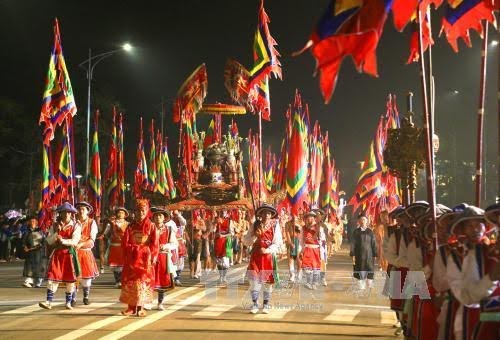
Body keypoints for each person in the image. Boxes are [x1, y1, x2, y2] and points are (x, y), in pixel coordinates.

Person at [119, 199, 159, 317]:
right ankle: (131, 307)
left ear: (147, 212)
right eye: (138, 211)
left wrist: (152, 256)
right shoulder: (130, 226)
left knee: (142, 282)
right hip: (132, 257)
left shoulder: (151, 226)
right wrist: (132, 249)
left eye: (143, 211)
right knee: (131, 282)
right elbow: (124, 242)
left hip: (145, 259)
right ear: (135, 212)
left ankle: (141, 307)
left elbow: (155, 244)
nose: (140, 213)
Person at [39, 202, 82, 310]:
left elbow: (75, 241)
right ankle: (48, 301)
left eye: (69, 212)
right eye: (64, 212)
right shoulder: (54, 225)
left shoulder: (76, 225)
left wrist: (62, 240)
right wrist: (56, 234)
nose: (67, 214)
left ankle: (68, 302)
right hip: (57, 254)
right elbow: (48, 240)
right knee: (52, 277)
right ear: (60, 214)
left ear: (72, 213)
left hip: (69, 254)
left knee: (70, 279)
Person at [243, 203, 282, 314]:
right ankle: (255, 303)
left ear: (271, 215)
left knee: (268, 282)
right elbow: (246, 241)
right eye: (264, 213)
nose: (266, 215)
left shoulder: (275, 226)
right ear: (261, 214)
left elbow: (277, 242)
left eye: (269, 213)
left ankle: (266, 304)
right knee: (254, 281)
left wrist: (267, 250)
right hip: (255, 257)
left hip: (268, 258)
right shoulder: (255, 225)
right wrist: (255, 236)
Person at [72, 201, 100, 306]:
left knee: (86, 277)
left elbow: (92, 241)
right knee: (74, 276)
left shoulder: (92, 222)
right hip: (74, 253)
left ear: (88, 211)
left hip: (85, 253)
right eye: (79, 209)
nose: (81, 211)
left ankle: (86, 296)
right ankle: (73, 298)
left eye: (83, 209)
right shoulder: (74, 222)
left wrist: (81, 244)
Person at [151, 207, 177, 310]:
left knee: (162, 280)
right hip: (151, 257)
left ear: (164, 218)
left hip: (163, 257)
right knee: (150, 278)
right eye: (156, 215)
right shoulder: (149, 228)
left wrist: (165, 246)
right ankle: (148, 302)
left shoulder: (169, 230)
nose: (158, 217)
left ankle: (160, 303)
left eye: (160, 216)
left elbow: (174, 244)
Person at [103, 207, 130, 288]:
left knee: (123, 265)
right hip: (114, 246)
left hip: (124, 247)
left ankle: (122, 280)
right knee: (115, 266)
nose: (120, 214)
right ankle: (117, 281)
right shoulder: (111, 223)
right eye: (119, 212)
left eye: (122, 213)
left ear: (125, 215)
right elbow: (105, 233)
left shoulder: (128, 224)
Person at [350, 213, 377, 290]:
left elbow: (374, 243)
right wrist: (353, 254)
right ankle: (361, 284)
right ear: (358, 221)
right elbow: (353, 244)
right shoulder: (356, 232)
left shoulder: (370, 232)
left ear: (367, 221)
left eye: (364, 220)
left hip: (369, 254)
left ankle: (369, 282)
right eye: (361, 220)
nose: (362, 221)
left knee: (370, 268)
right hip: (359, 254)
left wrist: (375, 254)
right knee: (360, 268)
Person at [22, 216, 46, 288]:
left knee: (39, 266)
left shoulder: (41, 231)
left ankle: (38, 282)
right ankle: (29, 281)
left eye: (33, 221)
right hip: (30, 252)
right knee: (29, 266)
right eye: (31, 221)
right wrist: (25, 247)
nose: (32, 223)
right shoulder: (27, 231)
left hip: (39, 251)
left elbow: (44, 241)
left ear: (36, 222)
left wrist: (40, 245)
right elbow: (23, 241)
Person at [301, 211, 321, 290]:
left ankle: (315, 282)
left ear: (314, 218)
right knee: (307, 266)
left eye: (311, 217)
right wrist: (301, 250)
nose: (309, 219)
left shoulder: (318, 227)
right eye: (308, 217)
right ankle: (308, 282)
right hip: (307, 249)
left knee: (315, 266)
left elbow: (322, 240)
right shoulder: (303, 228)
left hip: (316, 249)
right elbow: (301, 240)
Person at [213, 210, 234, 285]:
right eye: (221, 212)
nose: (222, 213)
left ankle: (224, 276)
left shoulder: (229, 221)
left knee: (225, 260)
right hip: (218, 241)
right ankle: (220, 276)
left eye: (224, 211)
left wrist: (223, 235)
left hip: (225, 241)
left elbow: (231, 233)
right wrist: (215, 224)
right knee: (218, 260)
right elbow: (212, 230)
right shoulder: (216, 219)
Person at [285, 214, 302, 282]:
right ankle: (292, 275)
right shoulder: (287, 223)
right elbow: (287, 233)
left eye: (296, 214)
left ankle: (299, 273)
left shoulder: (301, 222)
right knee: (290, 259)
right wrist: (290, 243)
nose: (294, 216)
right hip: (291, 241)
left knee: (298, 259)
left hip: (298, 241)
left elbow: (301, 233)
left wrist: (298, 226)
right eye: (293, 215)